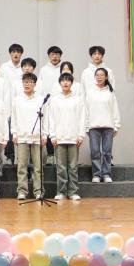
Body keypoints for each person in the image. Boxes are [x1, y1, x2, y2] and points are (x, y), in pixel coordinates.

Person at [49, 72, 86, 200]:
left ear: (71, 83)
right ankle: (61, 192)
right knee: (61, 167)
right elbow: (51, 119)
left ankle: (73, 192)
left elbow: (82, 118)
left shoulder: (77, 100)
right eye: (63, 80)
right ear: (60, 83)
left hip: (73, 137)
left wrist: (81, 135)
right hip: (59, 138)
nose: (65, 82)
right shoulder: (54, 100)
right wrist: (52, 136)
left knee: (73, 167)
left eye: (68, 80)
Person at [11, 73, 46, 200]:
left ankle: (39, 191)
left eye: (30, 82)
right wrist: (14, 133)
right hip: (22, 136)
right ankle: (22, 191)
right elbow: (14, 117)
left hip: (37, 136)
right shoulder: (17, 99)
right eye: (25, 82)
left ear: (35, 84)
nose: (27, 84)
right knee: (22, 166)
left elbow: (45, 118)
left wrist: (45, 134)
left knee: (38, 167)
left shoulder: (41, 99)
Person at [85, 67, 120, 183]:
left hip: (108, 126)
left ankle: (106, 174)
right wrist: (86, 126)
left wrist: (116, 125)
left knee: (107, 152)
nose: (99, 77)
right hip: (93, 126)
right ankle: (96, 174)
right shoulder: (90, 92)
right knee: (95, 151)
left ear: (106, 77)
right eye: (97, 75)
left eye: (101, 75)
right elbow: (86, 110)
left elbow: (115, 109)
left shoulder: (110, 92)